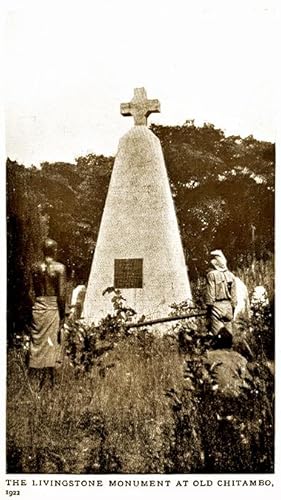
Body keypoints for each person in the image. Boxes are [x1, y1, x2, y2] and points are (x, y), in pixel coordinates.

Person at [28, 238, 66, 387]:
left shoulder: (34, 267)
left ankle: (36, 381)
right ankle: (51, 382)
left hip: (38, 307)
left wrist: (36, 305)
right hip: (52, 307)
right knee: (52, 344)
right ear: (54, 250)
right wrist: (62, 315)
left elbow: (30, 292)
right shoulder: (59, 268)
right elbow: (61, 295)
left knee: (37, 343)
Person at [205, 249, 237, 337]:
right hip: (228, 306)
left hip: (217, 307)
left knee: (218, 337)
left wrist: (208, 313)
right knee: (228, 336)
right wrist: (232, 310)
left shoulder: (211, 275)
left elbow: (210, 297)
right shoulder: (231, 275)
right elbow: (234, 299)